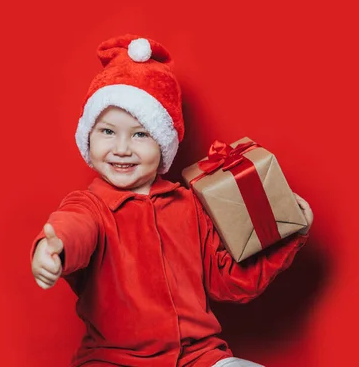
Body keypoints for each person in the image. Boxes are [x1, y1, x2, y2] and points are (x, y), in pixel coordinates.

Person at [30, 34, 314, 367]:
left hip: (197, 357)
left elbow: (229, 280)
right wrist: (54, 250)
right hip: (116, 360)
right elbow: (73, 227)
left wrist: (286, 236)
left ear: (164, 144)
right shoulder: (89, 206)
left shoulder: (190, 206)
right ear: (88, 136)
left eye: (140, 134)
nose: (122, 148)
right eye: (107, 132)